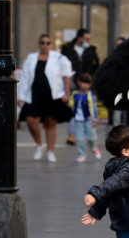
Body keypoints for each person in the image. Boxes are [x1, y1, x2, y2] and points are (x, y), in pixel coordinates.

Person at [81, 125, 129, 237]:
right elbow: (113, 182)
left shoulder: (112, 166)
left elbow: (108, 193)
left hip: (122, 222)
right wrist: (94, 194)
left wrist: (96, 211)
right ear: (125, 152)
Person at [18, 33, 73, 163]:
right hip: (34, 94)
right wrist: (21, 95)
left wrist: (66, 93)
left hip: (52, 95)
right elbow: (25, 78)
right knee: (31, 120)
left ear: (51, 45)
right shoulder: (31, 58)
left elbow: (67, 76)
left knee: (50, 123)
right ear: (39, 44)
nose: (45, 45)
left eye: (48, 43)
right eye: (42, 43)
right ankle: (39, 144)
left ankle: (50, 151)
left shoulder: (59, 58)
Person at [61, 28, 100, 144]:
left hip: (87, 84)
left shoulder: (91, 51)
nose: (89, 41)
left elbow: (96, 68)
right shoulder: (68, 50)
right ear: (79, 38)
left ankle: (87, 134)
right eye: (87, 39)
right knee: (74, 109)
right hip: (73, 83)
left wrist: (93, 83)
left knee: (88, 108)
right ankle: (72, 134)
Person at [68, 73, 102, 162]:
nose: (85, 85)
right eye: (83, 82)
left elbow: (93, 106)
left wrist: (94, 118)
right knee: (79, 138)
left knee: (91, 137)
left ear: (90, 85)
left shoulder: (90, 94)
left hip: (88, 119)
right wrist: (69, 100)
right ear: (79, 82)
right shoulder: (75, 93)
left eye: (87, 83)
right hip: (78, 119)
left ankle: (94, 149)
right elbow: (70, 104)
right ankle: (81, 154)